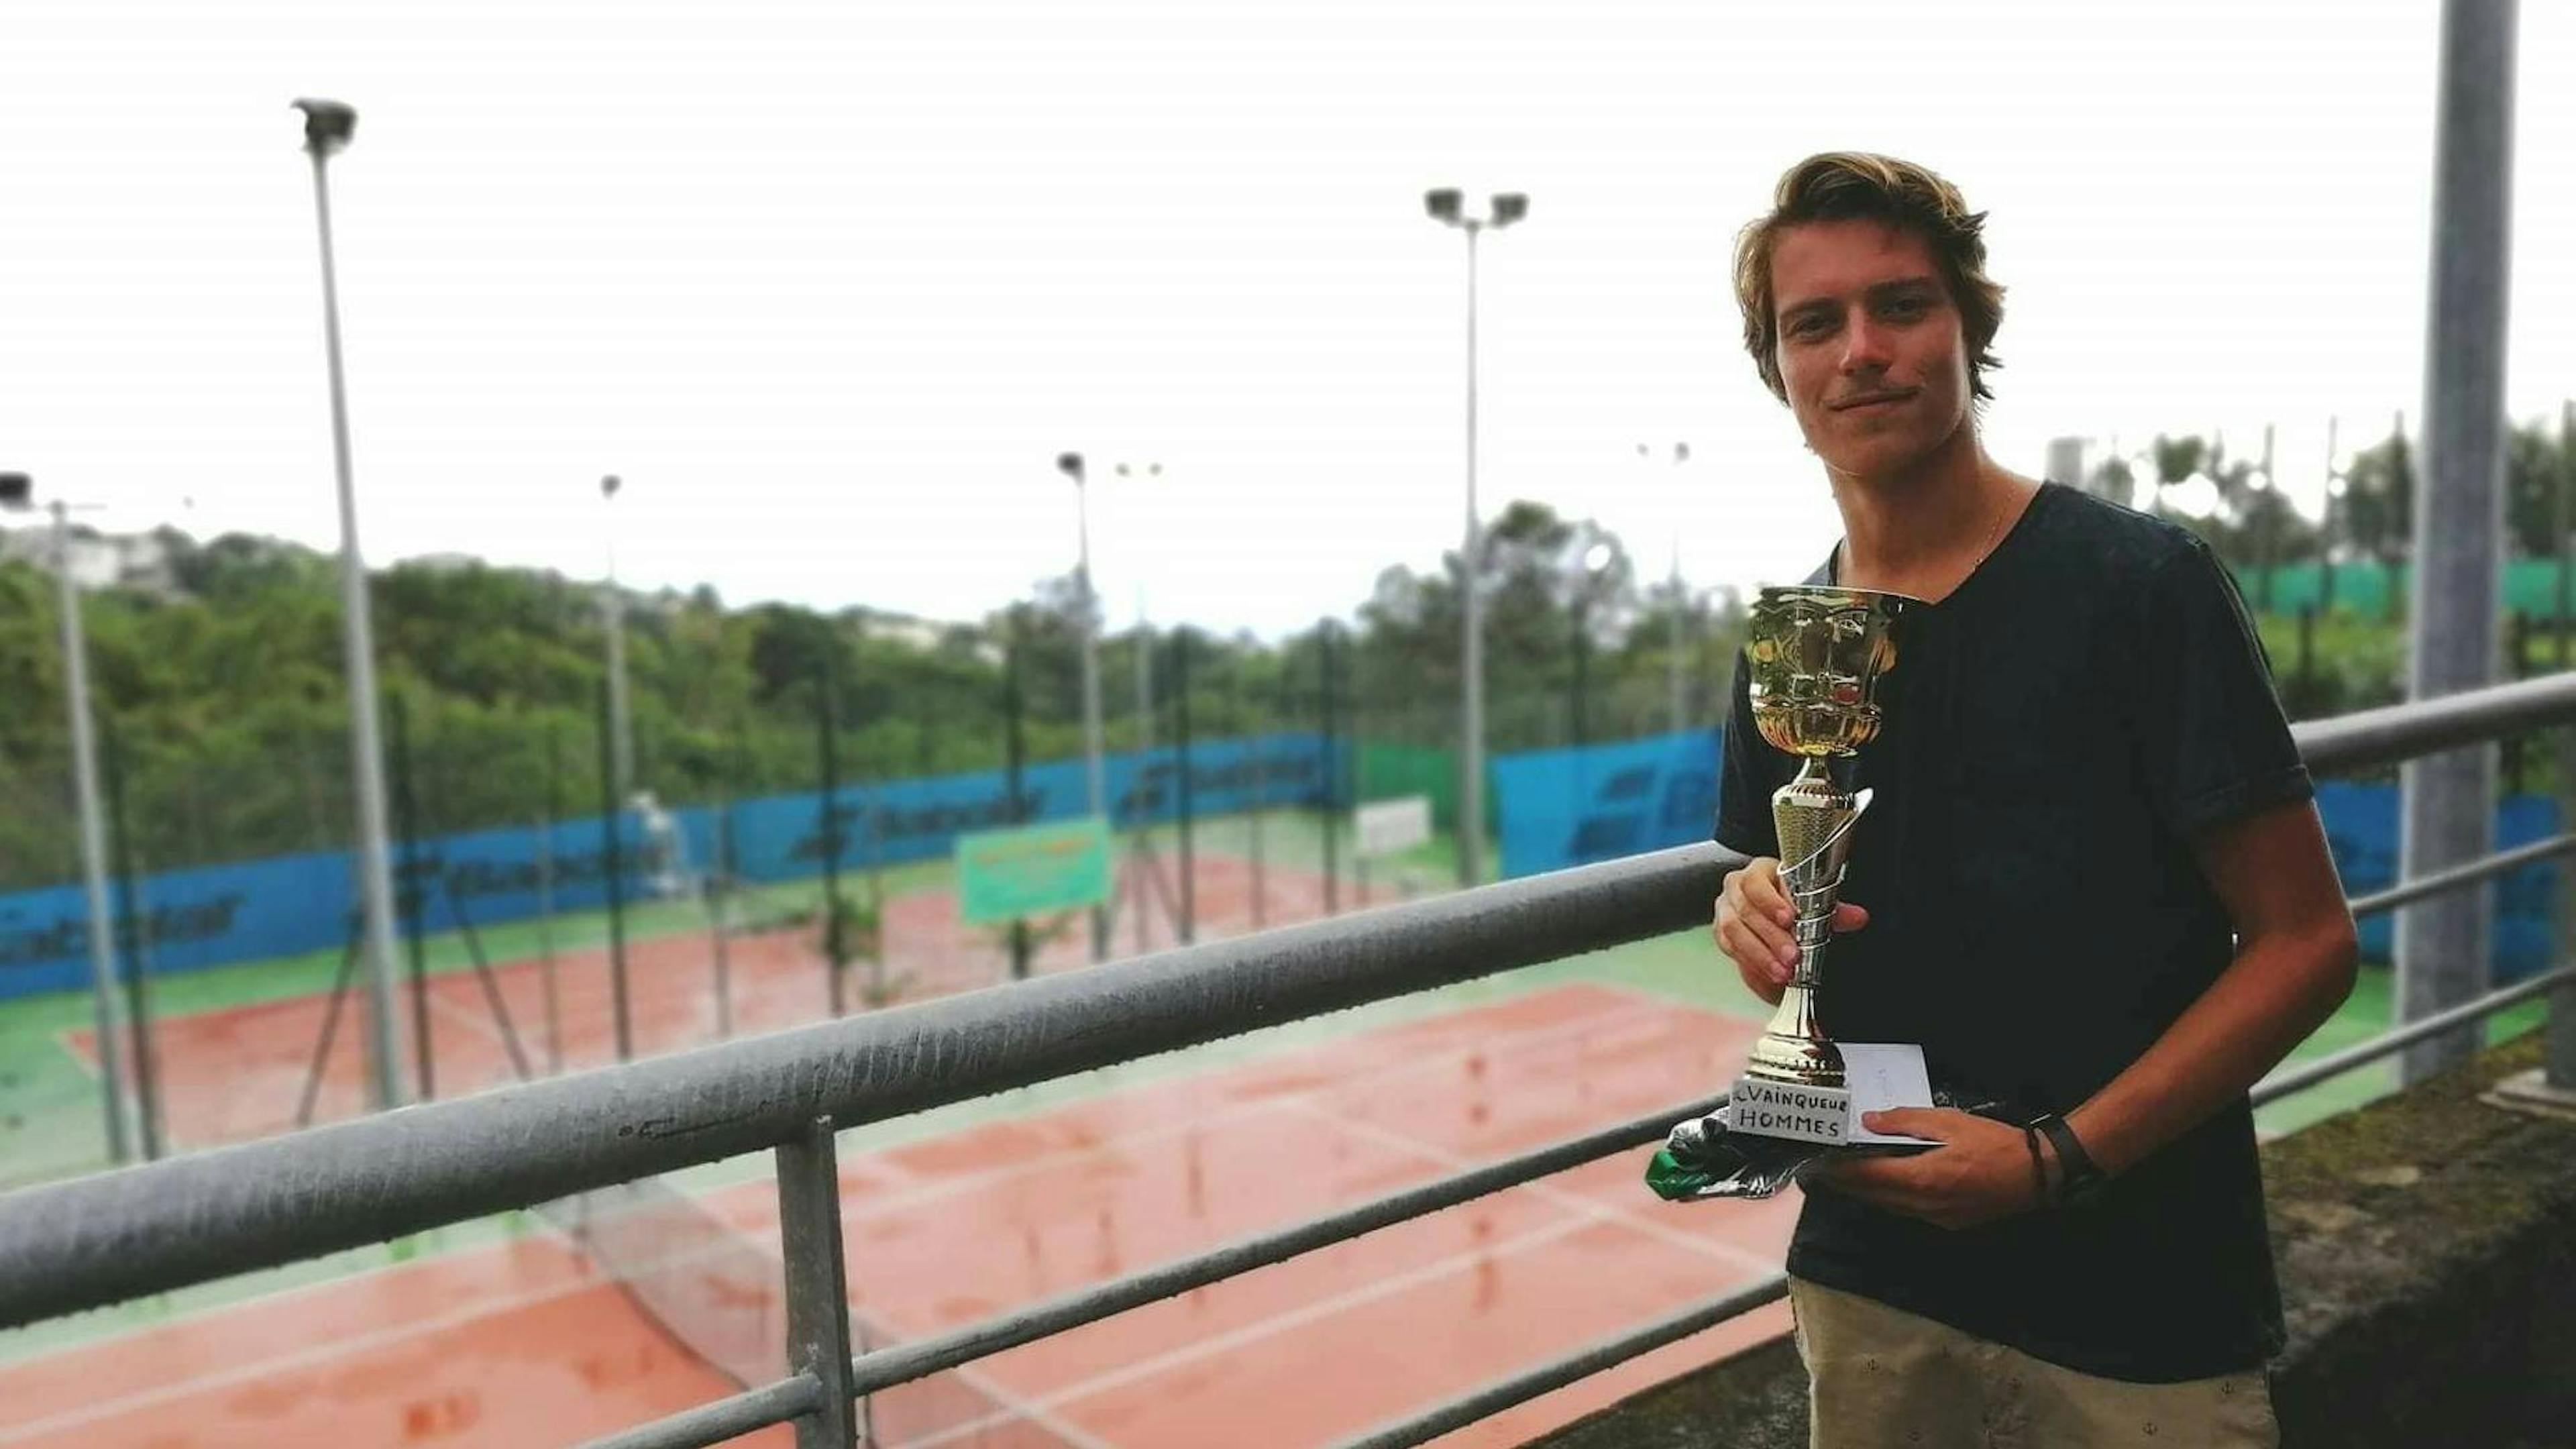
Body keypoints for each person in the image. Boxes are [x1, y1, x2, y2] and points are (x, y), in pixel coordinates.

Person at [1708, 152, 2359, 1448]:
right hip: (1870, 1278)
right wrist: (1755, 911)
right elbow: (1811, 942)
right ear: (1777, 368)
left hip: (2138, 1306)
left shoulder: (2141, 587)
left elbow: (2308, 944)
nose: (1862, 353)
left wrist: (2053, 1158)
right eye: (1814, 324)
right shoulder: (1796, 641)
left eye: (1903, 307)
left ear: (1970, 329)